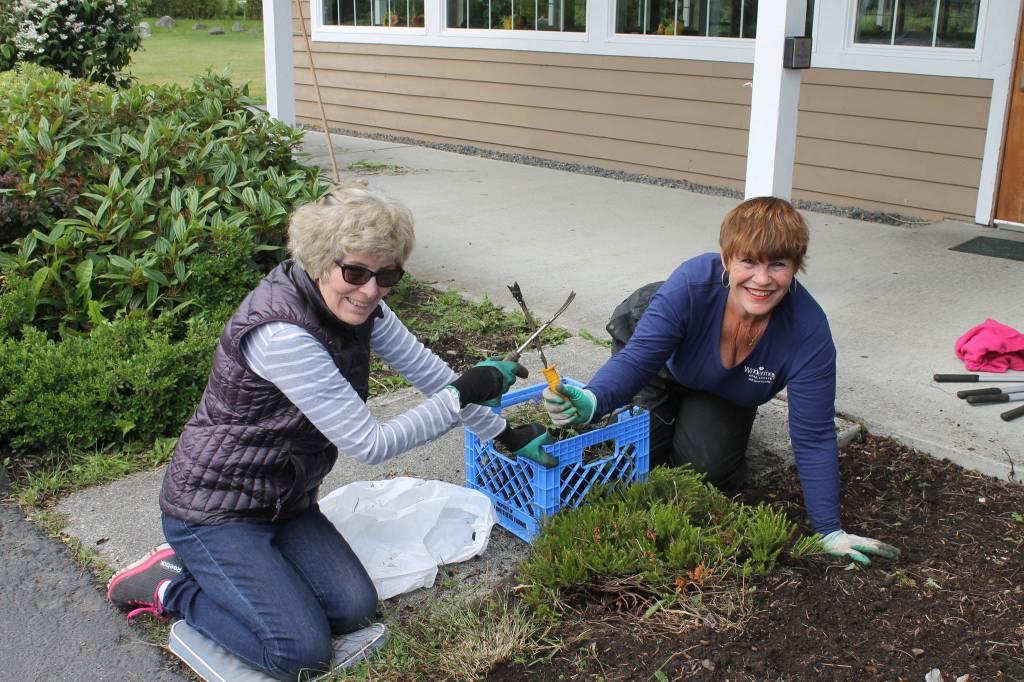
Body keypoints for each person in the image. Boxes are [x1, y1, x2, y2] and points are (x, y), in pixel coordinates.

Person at [106, 186, 551, 681]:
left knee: (353, 610)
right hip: (215, 510)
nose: (370, 289)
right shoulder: (281, 334)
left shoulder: (365, 309)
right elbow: (369, 444)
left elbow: (429, 373)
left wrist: (503, 432)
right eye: (355, 272)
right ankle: (170, 587)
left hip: (286, 502)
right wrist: (463, 394)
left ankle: (248, 577)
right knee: (298, 653)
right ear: (319, 261)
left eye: (387, 275)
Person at [543, 196, 899, 566]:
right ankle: (660, 412)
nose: (762, 280)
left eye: (778, 265)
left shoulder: (808, 332)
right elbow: (638, 360)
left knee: (706, 472)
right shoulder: (691, 284)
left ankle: (691, 415)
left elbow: (813, 435)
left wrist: (829, 530)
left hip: (723, 386)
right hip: (660, 360)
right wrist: (594, 400)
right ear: (727, 259)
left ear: (796, 267)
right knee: (636, 463)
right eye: (748, 261)